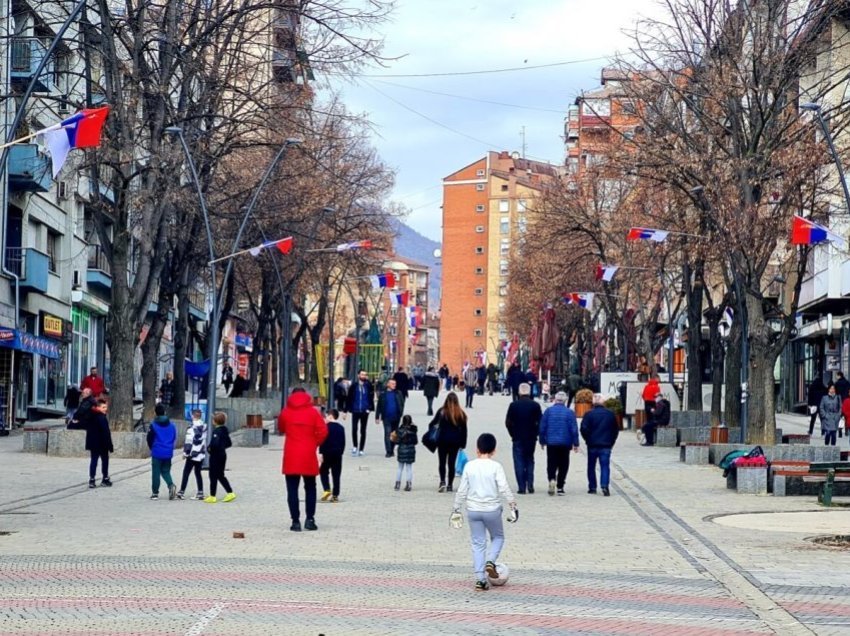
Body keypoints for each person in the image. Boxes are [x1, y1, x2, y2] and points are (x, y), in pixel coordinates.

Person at [450, 433, 518, 592]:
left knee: (478, 543)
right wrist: (512, 505)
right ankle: (491, 560)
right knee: (498, 537)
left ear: (477, 449)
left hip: (473, 510)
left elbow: (462, 490)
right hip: (492, 509)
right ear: (494, 450)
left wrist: (456, 508)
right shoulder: (496, 467)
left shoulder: (469, 466)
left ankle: (480, 579)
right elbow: (503, 488)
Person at [278, 388, 328, 531]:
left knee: (292, 489)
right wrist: (314, 443)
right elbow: (323, 431)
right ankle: (310, 519)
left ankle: (295, 521)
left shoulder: (286, 412)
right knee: (310, 488)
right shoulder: (313, 412)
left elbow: (281, 428)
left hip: (291, 454)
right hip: (308, 454)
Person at [539, 392, 579, 496]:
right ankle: (560, 486)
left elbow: (542, 427)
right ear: (565, 401)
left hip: (551, 443)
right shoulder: (570, 412)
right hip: (565, 443)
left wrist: (542, 441)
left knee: (551, 463)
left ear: (555, 400)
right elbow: (574, 429)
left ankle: (552, 479)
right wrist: (576, 443)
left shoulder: (548, 411)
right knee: (563, 464)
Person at [505, 383, 542, 494]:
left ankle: (521, 487)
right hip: (531, 437)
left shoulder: (513, 405)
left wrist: (512, 433)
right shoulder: (535, 405)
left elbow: (508, 422)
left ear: (519, 392)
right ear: (529, 392)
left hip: (517, 437)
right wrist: (536, 433)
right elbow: (541, 422)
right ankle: (530, 484)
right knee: (530, 460)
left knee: (519, 461)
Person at [580, 393, 620, 496]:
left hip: (592, 444)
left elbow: (583, 429)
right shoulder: (610, 414)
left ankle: (592, 487)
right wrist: (612, 441)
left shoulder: (589, 414)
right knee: (605, 466)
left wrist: (587, 439)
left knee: (591, 466)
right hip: (606, 444)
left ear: (593, 402)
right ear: (604, 402)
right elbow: (615, 430)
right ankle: (604, 486)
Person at [431, 392, 468, 492]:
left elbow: (432, 424)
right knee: (451, 463)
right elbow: (464, 431)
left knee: (442, 462)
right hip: (454, 443)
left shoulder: (442, 412)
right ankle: (450, 485)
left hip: (442, 441)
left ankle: (442, 481)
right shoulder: (461, 413)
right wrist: (463, 444)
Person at [146, 403, 178, 500]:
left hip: (157, 451)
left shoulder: (153, 425)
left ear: (155, 413)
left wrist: (152, 447)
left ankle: (155, 493)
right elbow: (174, 437)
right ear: (165, 412)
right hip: (168, 451)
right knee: (166, 471)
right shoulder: (172, 425)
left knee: (156, 472)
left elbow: (149, 439)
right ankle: (171, 485)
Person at [177, 409, 207, 500]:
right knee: (198, 473)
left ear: (193, 416)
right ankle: (200, 492)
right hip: (200, 454)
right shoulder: (204, 426)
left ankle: (181, 491)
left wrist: (185, 453)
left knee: (186, 472)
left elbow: (189, 442)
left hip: (192, 454)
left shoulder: (191, 428)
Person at [205, 412, 235, 503]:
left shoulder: (216, 431)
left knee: (213, 475)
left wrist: (209, 449)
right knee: (220, 475)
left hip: (216, 456)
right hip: (222, 455)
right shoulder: (225, 430)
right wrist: (223, 447)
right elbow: (229, 443)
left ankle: (213, 496)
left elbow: (214, 444)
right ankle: (229, 493)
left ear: (216, 421)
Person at [345, 370, 375, 457]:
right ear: (358, 375)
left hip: (365, 411)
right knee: (354, 429)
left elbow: (371, 397)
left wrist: (370, 408)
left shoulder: (368, 385)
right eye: (362, 374)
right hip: (355, 410)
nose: (364, 376)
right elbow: (349, 398)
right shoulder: (354, 386)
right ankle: (355, 446)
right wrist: (345, 411)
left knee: (363, 430)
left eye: (365, 375)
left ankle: (361, 448)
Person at [319, 408, 346, 503]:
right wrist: (341, 452)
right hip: (337, 453)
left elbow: (322, 441)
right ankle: (335, 495)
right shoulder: (341, 428)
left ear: (330, 416)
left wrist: (321, 453)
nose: (325, 418)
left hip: (327, 452)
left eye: (326, 416)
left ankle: (327, 489)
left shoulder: (325, 427)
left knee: (323, 471)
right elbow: (343, 442)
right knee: (336, 475)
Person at [85, 399, 113, 488]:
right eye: (103, 407)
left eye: (106, 407)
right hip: (102, 443)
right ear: (98, 407)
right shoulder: (102, 417)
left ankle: (92, 479)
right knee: (105, 460)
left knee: (94, 460)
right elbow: (106, 432)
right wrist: (110, 445)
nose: (105, 409)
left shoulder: (91, 416)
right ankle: (105, 478)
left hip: (93, 443)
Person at [376, 378, 405, 458]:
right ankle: (388, 451)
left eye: (395, 384)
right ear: (388, 384)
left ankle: (392, 449)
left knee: (394, 434)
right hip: (386, 417)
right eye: (392, 384)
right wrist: (377, 417)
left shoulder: (398, 393)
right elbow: (379, 406)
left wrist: (400, 412)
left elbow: (402, 403)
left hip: (396, 417)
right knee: (387, 434)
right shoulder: (383, 394)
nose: (394, 385)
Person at [393, 414, 418, 491]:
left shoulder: (399, 430)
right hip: (410, 449)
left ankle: (397, 484)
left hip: (401, 449)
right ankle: (409, 484)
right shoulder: (413, 430)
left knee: (400, 468)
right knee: (409, 468)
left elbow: (396, 441)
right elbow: (416, 442)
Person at [835, 372, 850, 438]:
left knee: (840, 416)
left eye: (836, 376)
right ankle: (846, 430)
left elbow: (835, 392)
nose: (836, 377)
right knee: (847, 416)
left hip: (840, 401)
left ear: (839, 376)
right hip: (846, 401)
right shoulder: (847, 382)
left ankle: (840, 431)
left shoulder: (837, 383)